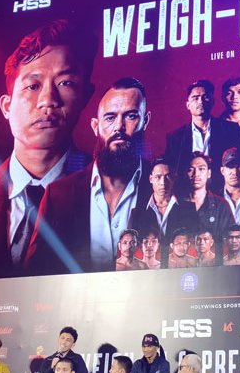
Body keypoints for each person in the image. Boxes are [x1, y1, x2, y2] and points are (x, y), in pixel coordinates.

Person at [0, 19, 95, 280]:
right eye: (33, 86)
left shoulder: (105, 190)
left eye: (65, 83)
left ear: (85, 96)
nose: (48, 100)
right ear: (6, 106)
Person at [36, 77, 153, 273]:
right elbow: (35, 271)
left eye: (131, 116)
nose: (119, 127)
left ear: (145, 121)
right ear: (95, 126)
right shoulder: (58, 195)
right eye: (110, 118)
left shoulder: (168, 186)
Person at [164, 79, 240, 190]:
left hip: (221, 192)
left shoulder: (230, 129)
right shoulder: (176, 137)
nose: (200, 101)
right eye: (195, 98)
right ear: (188, 104)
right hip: (188, 194)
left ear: (212, 101)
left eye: (205, 97)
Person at [131, 159, 194, 241]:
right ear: (151, 179)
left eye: (168, 176)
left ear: (174, 178)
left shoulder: (189, 209)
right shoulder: (137, 213)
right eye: (158, 177)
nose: (163, 182)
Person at [182, 152, 235, 245]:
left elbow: (230, 239)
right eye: (190, 170)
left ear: (209, 173)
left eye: (201, 169)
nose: (196, 174)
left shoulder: (221, 206)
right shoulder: (178, 204)